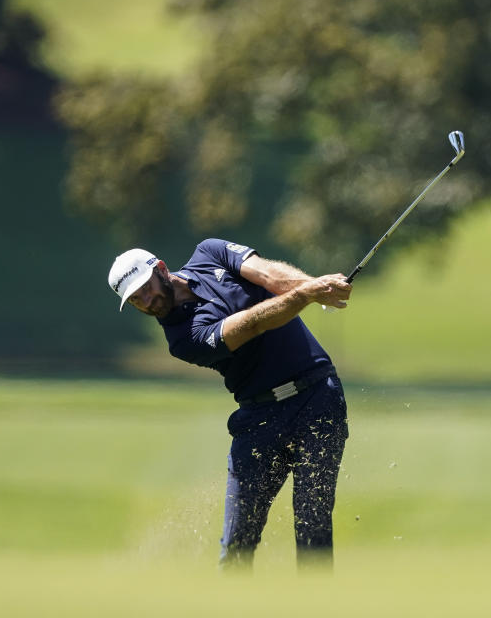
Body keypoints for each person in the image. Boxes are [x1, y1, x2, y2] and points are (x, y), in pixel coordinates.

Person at [107, 238, 353, 571]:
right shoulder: (183, 340)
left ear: (161, 269)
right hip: (259, 419)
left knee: (313, 523)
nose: (147, 301)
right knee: (238, 542)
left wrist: (314, 286)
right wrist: (306, 294)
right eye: (137, 300)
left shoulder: (209, 253)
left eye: (146, 289)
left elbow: (269, 276)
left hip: (318, 397)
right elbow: (253, 323)